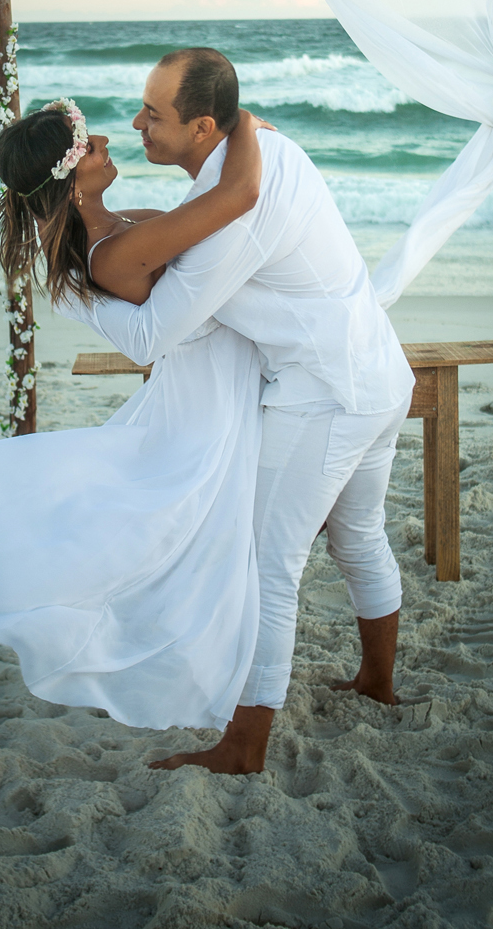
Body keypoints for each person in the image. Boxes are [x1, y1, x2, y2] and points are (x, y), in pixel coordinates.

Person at [0, 94, 273, 733]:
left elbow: (197, 226)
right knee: (198, 537)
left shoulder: (90, 230)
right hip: (209, 400)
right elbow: (223, 219)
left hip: (200, 390)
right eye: (88, 146)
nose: (104, 147)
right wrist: (246, 129)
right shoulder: (100, 248)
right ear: (72, 176)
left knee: (189, 537)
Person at [55, 47, 416, 776]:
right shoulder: (262, 151)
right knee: (359, 537)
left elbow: (158, 332)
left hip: (327, 394)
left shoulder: (229, 219)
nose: (137, 124)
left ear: (203, 127)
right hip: (380, 374)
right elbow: (173, 221)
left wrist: (80, 300)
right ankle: (377, 682)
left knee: (265, 565)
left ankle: (243, 748)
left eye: (154, 115)